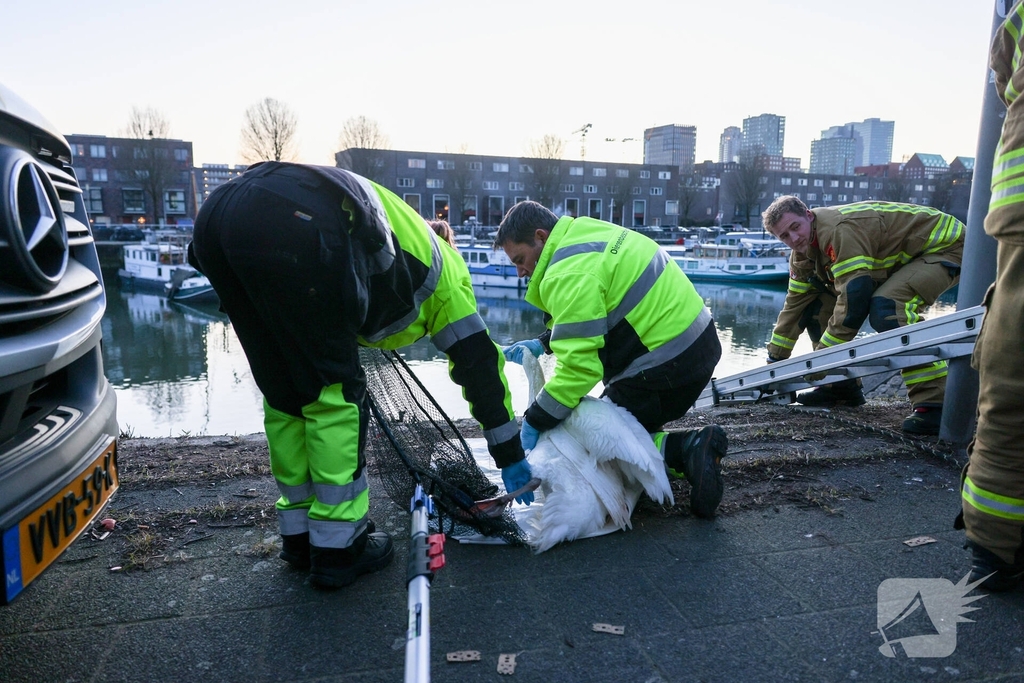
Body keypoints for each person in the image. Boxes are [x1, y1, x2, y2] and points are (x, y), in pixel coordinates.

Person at [189, 162, 527, 589]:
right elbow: (479, 364)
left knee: (286, 394)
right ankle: (339, 548)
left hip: (216, 219)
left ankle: (299, 540)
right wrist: (510, 456)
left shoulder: (397, 235)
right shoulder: (449, 271)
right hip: (296, 221)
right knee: (334, 395)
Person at [495, 201, 728, 518]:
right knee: (621, 425)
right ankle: (674, 450)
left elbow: (579, 371)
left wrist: (535, 419)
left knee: (594, 441)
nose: (520, 272)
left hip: (665, 364)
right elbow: (599, 308)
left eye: (520, 260)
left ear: (540, 236)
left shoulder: (565, 272)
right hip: (699, 344)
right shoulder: (587, 234)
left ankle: (688, 448)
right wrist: (543, 344)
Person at [762, 195, 964, 435]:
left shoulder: (839, 230)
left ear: (808, 215)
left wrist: (822, 360)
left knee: (889, 308)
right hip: (909, 257)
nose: (793, 239)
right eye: (784, 236)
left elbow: (854, 301)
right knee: (816, 307)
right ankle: (840, 387)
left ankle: (935, 403)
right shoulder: (802, 255)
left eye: (795, 227)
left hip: (947, 246)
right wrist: (775, 360)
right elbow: (795, 307)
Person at [956, 2, 1024, 592]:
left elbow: (1005, 80)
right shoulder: (813, 242)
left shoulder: (1018, 19)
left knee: (1008, 385)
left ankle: (993, 549)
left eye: (793, 233)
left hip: (1000, 235)